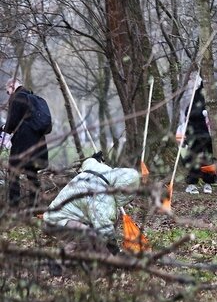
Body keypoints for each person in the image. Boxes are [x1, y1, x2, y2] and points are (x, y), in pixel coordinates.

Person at [42, 154, 140, 254]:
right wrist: (114, 251)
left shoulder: (104, 170)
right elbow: (104, 227)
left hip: (70, 217)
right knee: (88, 235)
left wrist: (94, 158)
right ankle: (59, 261)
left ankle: (87, 252)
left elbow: (89, 162)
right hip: (56, 221)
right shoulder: (101, 195)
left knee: (100, 224)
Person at [3, 78, 49, 209]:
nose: (9, 95)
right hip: (38, 145)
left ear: (12, 86)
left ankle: (14, 207)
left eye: (8, 92)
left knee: (13, 173)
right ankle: (33, 207)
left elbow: (12, 123)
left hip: (22, 145)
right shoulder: (32, 97)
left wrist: (4, 128)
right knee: (32, 174)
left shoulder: (17, 98)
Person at [183, 82, 216, 194]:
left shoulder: (212, 97)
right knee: (194, 160)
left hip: (208, 136)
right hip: (195, 135)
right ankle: (192, 184)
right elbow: (189, 113)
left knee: (208, 160)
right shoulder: (196, 97)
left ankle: (208, 182)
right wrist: (202, 113)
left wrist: (215, 114)